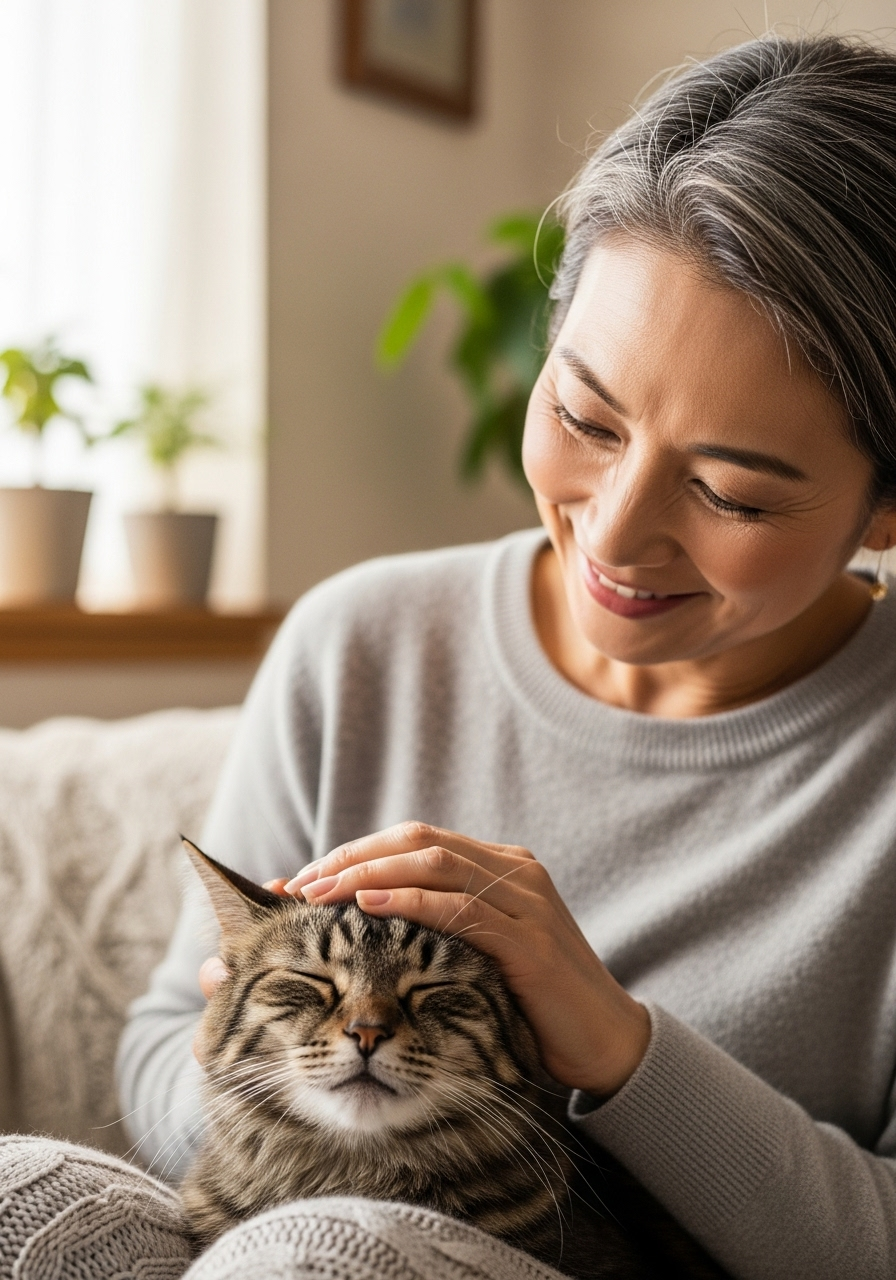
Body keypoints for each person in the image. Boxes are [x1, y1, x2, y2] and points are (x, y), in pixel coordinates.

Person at [117, 32, 896, 1280]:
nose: (616, 527)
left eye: (731, 492)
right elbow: (167, 1033)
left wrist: (624, 1048)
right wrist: (355, 1163)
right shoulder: (358, 643)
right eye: (583, 415)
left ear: (882, 510)